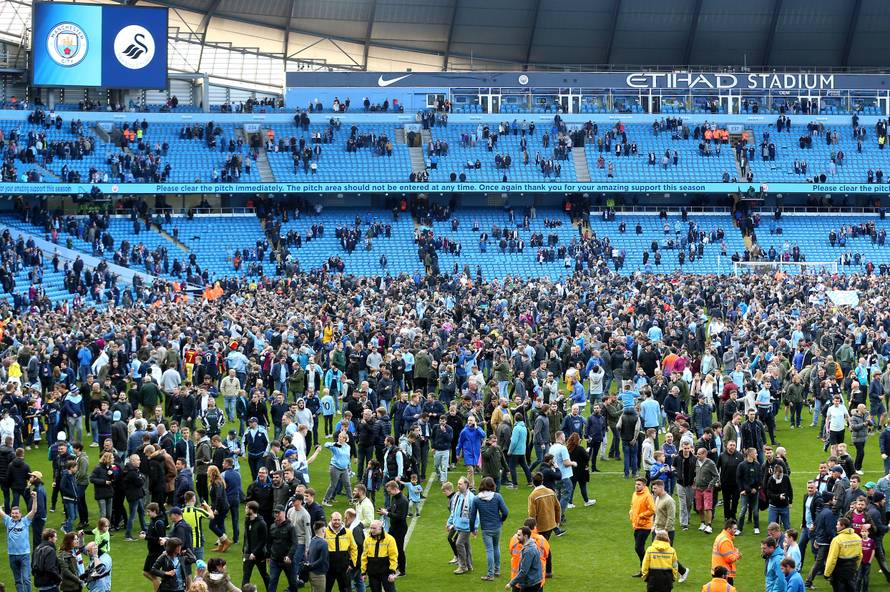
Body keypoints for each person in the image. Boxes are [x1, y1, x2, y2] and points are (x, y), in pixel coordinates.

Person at [470, 476, 510, 581]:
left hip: (486, 529)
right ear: (492, 485)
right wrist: (501, 520)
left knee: (489, 550)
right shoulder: (497, 497)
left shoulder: (476, 499)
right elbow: (505, 512)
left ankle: (490, 574)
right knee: (496, 547)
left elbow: (472, 516)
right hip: (496, 527)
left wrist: (472, 530)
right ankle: (497, 570)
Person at [652, 479, 689, 582]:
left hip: (666, 532)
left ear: (661, 487)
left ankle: (682, 571)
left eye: (655, 488)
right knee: (656, 553)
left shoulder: (669, 500)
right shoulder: (658, 498)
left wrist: (665, 531)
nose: (653, 490)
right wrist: (654, 526)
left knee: (667, 555)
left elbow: (671, 518)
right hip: (657, 530)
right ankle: (662, 574)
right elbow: (657, 514)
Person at [1, 490, 38, 592]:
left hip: (24, 555)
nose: (14, 515)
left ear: (20, 514)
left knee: (26, 579)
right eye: (12, 513)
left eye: (16, 513)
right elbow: (1, 512)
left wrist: (34, 498)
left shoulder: (25, 521)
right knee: (17, 580)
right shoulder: (8, 521)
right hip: (12, 555)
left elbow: (34, 511)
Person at [527, 472, 560, 577]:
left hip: (540, 526)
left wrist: (531, 528)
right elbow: (557, 507)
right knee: (546, 546)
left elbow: (532, 514)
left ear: (533, 482)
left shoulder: (533, 496)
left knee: (540, 548)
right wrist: (557, 521)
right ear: (542, 481)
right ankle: (548, 571)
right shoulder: (550, 491)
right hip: (551, 524)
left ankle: (541, 571)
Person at [268, 505, 302, 592]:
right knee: (272, 581)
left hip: (288, 561)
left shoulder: (290, 527)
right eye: (275, 512)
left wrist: (289, 556)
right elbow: (269, 542)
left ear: (284, 513)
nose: (276, 514)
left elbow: (295, 543)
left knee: (293, 583)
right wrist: (268, 555)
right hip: (275, 560)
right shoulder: (272, 527)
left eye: (278, 512)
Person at [447, 475, 476, 575]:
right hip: (459, 525)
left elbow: (475, 514)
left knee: (459, 543)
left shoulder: (471, 498)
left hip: (466, 527)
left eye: (460, 484)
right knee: (466, 545)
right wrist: (450, 522)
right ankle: (469, 565)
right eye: (458, 484)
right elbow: (454, 511)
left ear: (466, 485)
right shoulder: (458, 495)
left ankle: (462, 566)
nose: (458, 486)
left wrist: (474, 527)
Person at [825, 517, 863, 592]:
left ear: (843, 526)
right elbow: (860, 555)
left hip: (839, 572)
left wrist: (827, 573)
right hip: (851, 570)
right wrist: (855, 567)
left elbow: (832, 558)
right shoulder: (857, 537)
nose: (836, 526)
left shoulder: (837, 539)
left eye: (838, 524)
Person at [380, 480, 407, 576]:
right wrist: (386, 510)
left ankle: (402, 570)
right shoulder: (394, 498)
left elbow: (401, 516)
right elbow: (393, 508)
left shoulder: (403, 500)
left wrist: (387, 513)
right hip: (393, 527)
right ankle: (393, 566)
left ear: (395, 489)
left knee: (399, 549)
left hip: (400, 528)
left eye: (389, 491)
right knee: (389, 545)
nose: (389, 493)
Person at [325, 511, 357, 592]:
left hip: (344, 568)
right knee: (326, 589)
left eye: (339, 520)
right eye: (335, 520)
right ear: (331, 520)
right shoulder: (324, 532)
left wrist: (352, 564)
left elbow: (354, 548)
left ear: (341, 520)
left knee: (346, 590)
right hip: (329, 568)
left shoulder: (348, 532)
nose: (337, 522)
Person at [361, 520, 398, 592]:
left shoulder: (390, 539)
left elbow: (393, 556)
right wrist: (363, 572)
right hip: (372, 573)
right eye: (371, 528)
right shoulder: (367, 540)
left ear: (381, 528)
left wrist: (392, 572)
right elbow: (364, 557)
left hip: (386, 573)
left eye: (374, 528)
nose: (372, 530)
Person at [630, 477, 656, 577]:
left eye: (639, 484)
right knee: (638, 548)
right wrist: (631, 513)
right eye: (636, 484)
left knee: (638, 548)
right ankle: (644, 569)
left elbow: (652, 510)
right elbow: (633, 505)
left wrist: (641, 515)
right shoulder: (634, 494)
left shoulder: (647, 496)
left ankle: (646, 568)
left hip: (645, 526)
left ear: (644, 486)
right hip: (636, 525)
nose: (636, 486)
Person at [505, 527, 542, 592]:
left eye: (519, 535)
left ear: (525, 536)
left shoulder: (528, 551)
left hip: (531, 584)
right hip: (533, 581)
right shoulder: (531, 544)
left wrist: (511, 584)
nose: (517, 537)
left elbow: (524, 571)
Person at [242, 501, 269, 589]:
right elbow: (246, 536)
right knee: (246, 576)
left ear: (251, 510)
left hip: (259, 555)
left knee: (264, 574)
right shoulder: (247, 520)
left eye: (246, 508)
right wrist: (244, 549)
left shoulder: (262, 524)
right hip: (247, 554)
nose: (245, 509)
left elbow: (263, 541)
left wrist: (254, 553)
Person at [143, 502, 168, 590]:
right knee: (146, 572)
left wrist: (146, 537)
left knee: (153, 575)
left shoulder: (159, 523)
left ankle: (159, 588)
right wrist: (146, 534)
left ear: (154, 511)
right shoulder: (153, 520)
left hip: (157, 552)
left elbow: (160, 539)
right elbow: (153, 534)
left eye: (149, 512)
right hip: (151, 552)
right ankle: (161, 584)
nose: (147, 514)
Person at [694, 446, 719, 533]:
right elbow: (695, 473)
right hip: (698, 488)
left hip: (707, 489)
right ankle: (702, 523)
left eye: (699, 454)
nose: (697, 455)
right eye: (697, 454)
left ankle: (709, 525)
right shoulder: (696, 462)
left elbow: (716, 475)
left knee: (708, 507)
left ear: (704, 454)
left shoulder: (710, 463)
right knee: (699, 507)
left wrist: (710, 485)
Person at [711, 519, 741, 585]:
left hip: (718, 571)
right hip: (724, 574)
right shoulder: (725, 540)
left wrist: (735, 551)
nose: (736, 531)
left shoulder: (721, 536)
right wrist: (737, 554)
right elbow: (729, 559)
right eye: (734, 529)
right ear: (728, 529)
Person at [766, 463, 794, 530]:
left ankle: (788, 540)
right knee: (771, 527)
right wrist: (779, 496)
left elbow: (790, 490)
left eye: (780, 475)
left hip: (784, 506)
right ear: (774, 473)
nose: (779, 477)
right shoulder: (771, 480)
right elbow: (769, 494)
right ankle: (771, 540)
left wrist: (790, 502)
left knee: (787, 526)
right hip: (773, 507)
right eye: (777, 476)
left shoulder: (786, 478)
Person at [306, 521, 329, 592]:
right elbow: (323, 559)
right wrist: (311, 565)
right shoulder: (324, 543)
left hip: (311, 573)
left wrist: (310, 566)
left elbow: (308, 554)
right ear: (323, 530)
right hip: (319, 574)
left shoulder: (312, 540)